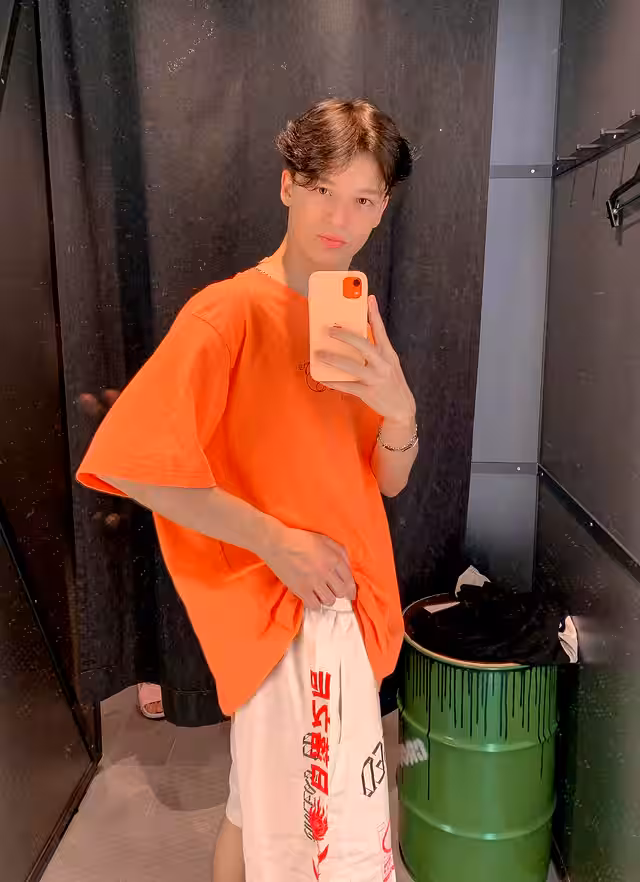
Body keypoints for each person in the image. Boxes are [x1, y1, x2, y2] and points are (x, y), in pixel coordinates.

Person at [77, 97, 418, 881]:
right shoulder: (227, 314)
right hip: (286, 616)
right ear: (288, 185)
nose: (339, 218)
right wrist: (277, 541)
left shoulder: (353, 318)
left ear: (382, 209)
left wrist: (401, 412)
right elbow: (129, 462)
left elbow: (388, 480)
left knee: (257, 814)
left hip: (350, 602)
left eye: (362, 198)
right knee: (306, 842)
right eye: (323, 189)